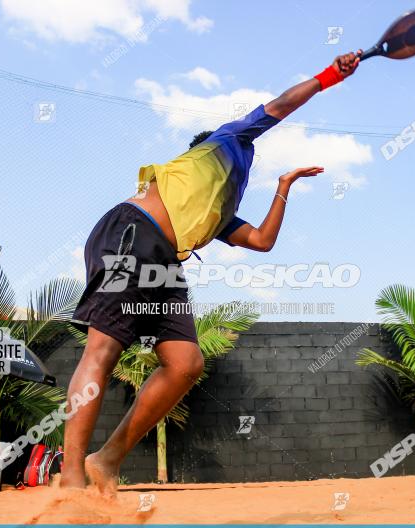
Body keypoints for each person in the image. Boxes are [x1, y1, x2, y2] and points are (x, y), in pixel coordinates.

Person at [62, 51, 363, 495]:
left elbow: (261, 241)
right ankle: (69, 478)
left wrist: (282, 189)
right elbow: (279, 107)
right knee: (102, 351)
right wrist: (329, 76)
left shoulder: (218, 213)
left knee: (185, 365)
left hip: (165, 262)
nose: (250, 160)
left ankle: (105, 461)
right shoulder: (226, 139)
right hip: (130, 233)